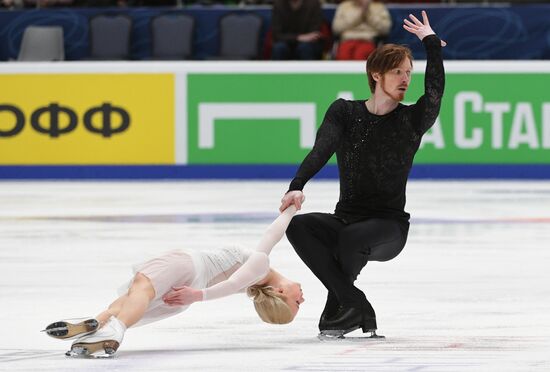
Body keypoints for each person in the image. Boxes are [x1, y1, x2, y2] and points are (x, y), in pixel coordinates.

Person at [279, 11, 445, 338]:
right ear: (375, 74)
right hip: (347, 218)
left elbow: (436, 92)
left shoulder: (412, 120)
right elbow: (321, 150)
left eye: (409, 72)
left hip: (388, 227)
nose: (405, 79)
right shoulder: (344, 112)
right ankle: (352, 302)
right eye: (397, 71)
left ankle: (344, 303)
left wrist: (431, 46)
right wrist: (297, 185)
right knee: (298, 225)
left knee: (351, 237)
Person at [43, 204, 305, 357]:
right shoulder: (256, 282)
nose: (303, 298)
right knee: (132, 300)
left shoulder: (260, 269)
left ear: (279, 291)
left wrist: (291, 207)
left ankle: (114, 328)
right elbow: (234, 284)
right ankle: (97, 326)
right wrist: (194, 296)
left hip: (187, 268)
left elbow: (269, 237)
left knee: (140, 290)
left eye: (297, 302)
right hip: (185, 294)